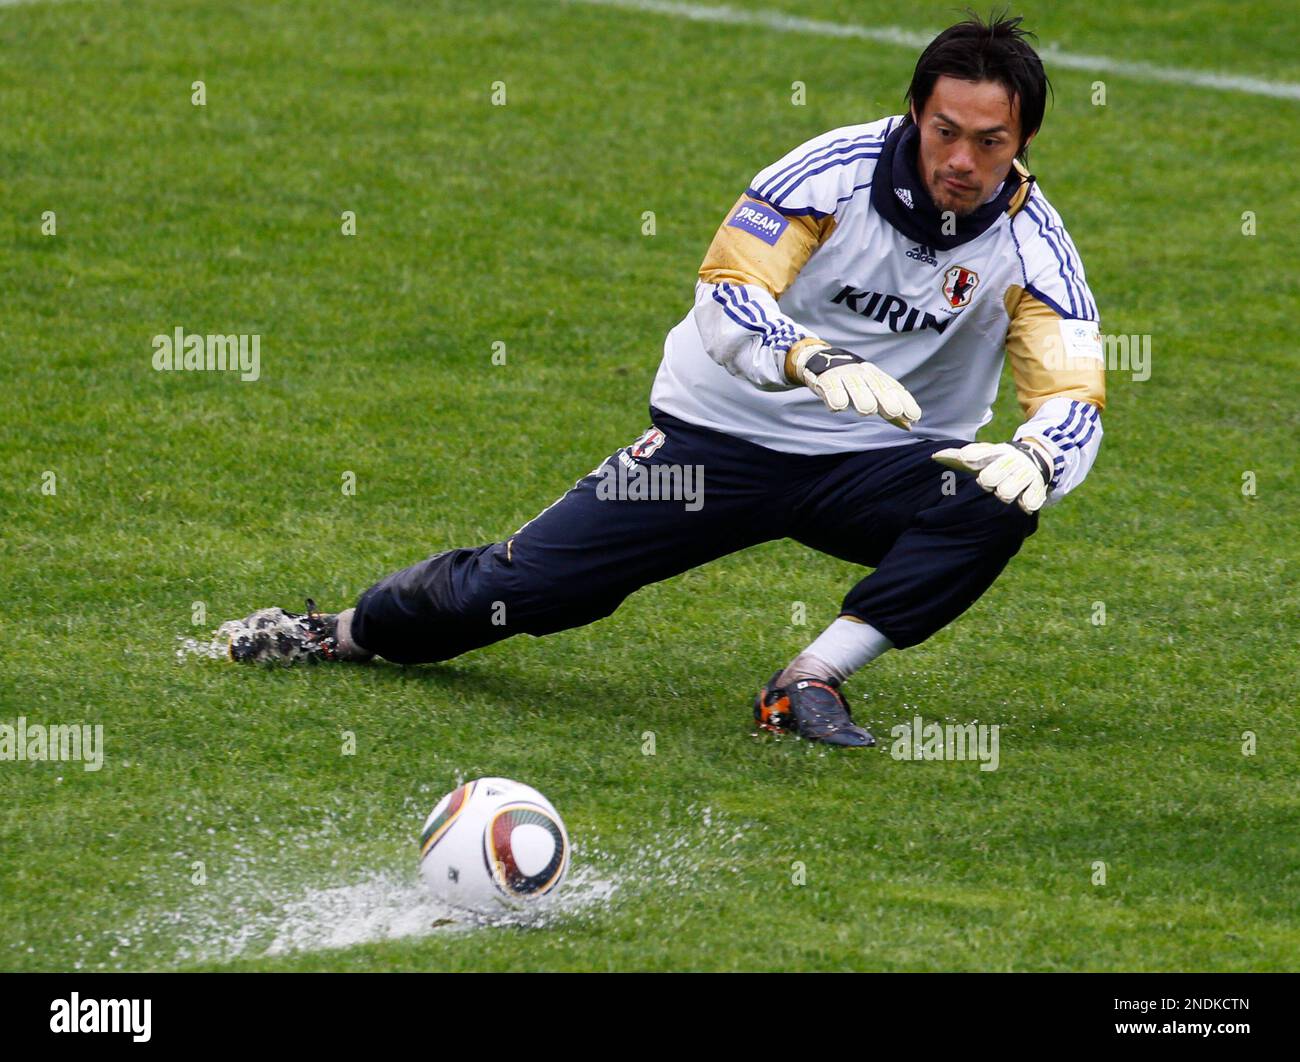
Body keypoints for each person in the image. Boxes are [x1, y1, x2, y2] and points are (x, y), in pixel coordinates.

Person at [224, 13, 1105, 748]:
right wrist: (809, 358)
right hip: (717, 441)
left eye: (989, 142)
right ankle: (342, 631)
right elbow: (726, 294)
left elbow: (1074, 390)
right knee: (531, 593)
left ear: (1021, 141)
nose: (961, 159)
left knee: (996, 500)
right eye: (945, 131)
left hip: (877, 463)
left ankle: (810, 679)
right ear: (914, 112)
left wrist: (1042, 455)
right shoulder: (824, 178)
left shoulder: (1034, 249)